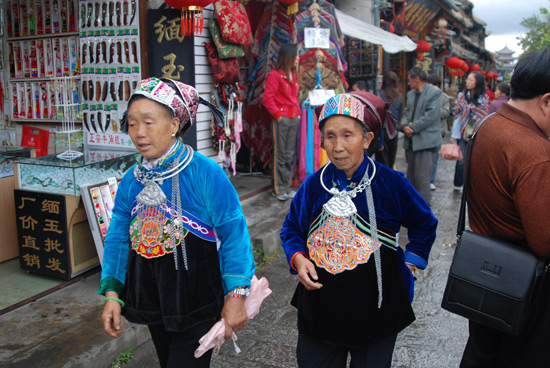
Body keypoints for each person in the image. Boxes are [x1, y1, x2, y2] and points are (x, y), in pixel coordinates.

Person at [98, 77, 256, 368]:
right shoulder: (132, 181)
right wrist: (112, 293)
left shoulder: (205, 173)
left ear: (174, 125)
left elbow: (233, 232)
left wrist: (236, 295)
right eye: (132, 124)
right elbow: (118, 237)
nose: (139, 133)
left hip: (197, 303)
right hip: (153, 299)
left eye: (149, 122)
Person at [281, 91, 437, 368]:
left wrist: (410, 265)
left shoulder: (392, 183)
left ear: (367, 139)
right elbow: (292, 228)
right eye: (330, 136)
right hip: (321, 306)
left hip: (376, 307)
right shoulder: (313, 185)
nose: (337, 146)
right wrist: (298, 257)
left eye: (347, 135)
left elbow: (424, 223)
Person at [459, 49, 550, 368]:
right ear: (547, 101)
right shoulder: (535, 150)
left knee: (482, 355)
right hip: (522, 286)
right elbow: (545, 241)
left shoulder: (489, 125)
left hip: (485, 272)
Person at [263, 43, 301, 201]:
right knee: (280, 154)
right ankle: (278, 189)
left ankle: (286, 186)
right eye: (296, 55)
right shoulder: (274, 75)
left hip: (293, 118)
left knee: (289, 154)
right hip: (282, 118)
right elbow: (267, 99)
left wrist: (297, 114)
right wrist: (278, 115)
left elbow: (294, 98)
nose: (298, 58)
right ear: (288, 57)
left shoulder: (293, 74)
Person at [401, 67, 442, 205]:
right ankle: (412, 207)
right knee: (411, 176)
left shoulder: (435, 93)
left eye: (409, 80)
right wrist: (404, 126)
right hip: (411, 141)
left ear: (416, 79)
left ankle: (424, 208)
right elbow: (407, 113)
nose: (408, 83)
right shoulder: (411, 94)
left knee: (423, 177)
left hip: (426, 141)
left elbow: (430, 116)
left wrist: (412, 128)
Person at [449, 71, 489, 191]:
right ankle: (458, 183)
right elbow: (457, 115)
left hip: (477, 132)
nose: (468, 82)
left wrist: (471, 110)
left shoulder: (484, 98)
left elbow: (484, 114)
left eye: (471, 80)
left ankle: (471, 184)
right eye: (468, 80)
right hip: (462, 132)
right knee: (461, 159)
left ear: (478, 83)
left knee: (474, 159)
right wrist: (453, 135)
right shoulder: (461, 96)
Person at [426, 73, 450, 191]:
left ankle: (431, 180)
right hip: (426, 131)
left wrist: (434, 110)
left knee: (434, 157)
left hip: (438, 131)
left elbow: (446, 113)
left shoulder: (444, 97)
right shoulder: (424, 96)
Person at [376, 70, 403, 169]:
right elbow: (400, 114)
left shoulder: (379, 94)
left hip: (382, 130)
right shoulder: (399, 96)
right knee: (391, 159)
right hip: (394, 130)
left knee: (382, 159)